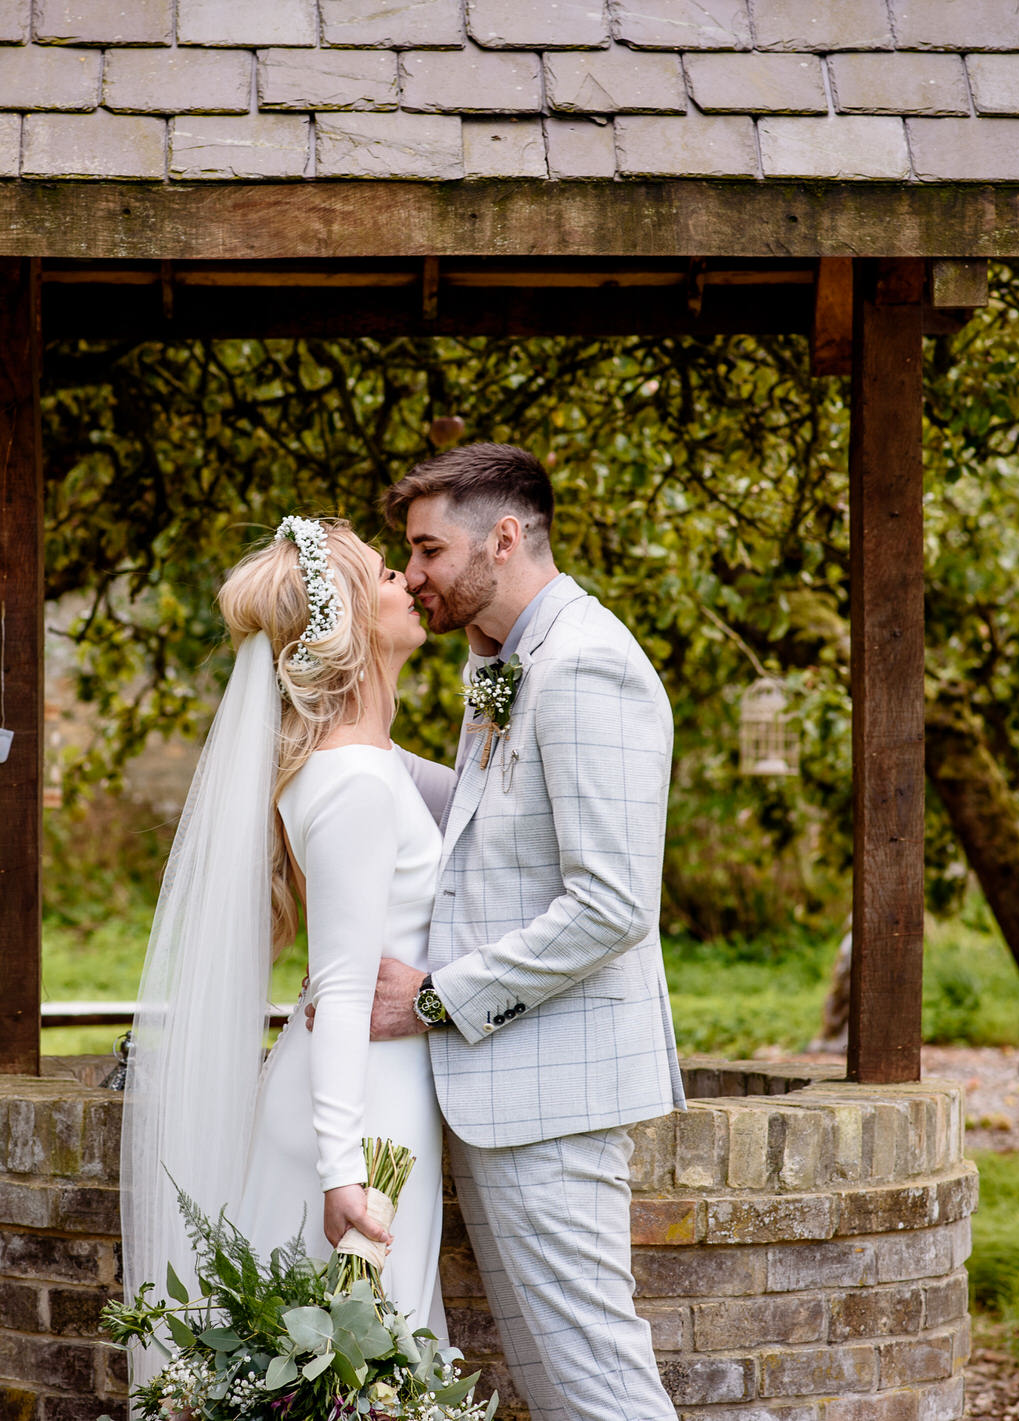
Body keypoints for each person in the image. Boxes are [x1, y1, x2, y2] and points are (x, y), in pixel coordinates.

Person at [366, 443, 687, 1421]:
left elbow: (612, 903)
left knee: (595, 1381)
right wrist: (351, 754)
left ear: (502, 537)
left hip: (554, 1088)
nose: (412, 574)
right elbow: (487, 820)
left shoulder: (586, 665)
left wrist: (432, 996)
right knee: (558, 1385)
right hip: (513, 1086)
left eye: (426, 549)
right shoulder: (506, 663)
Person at [120, 514, 457, 1389]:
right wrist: (344, 1173)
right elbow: (343, 988)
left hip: (376, 1092)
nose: (409, 584)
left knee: (359, 1376)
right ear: (349, 617)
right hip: (358, 1113)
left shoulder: (367, 763)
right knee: (346, 1373)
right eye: (389, 574)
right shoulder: (349, 779)